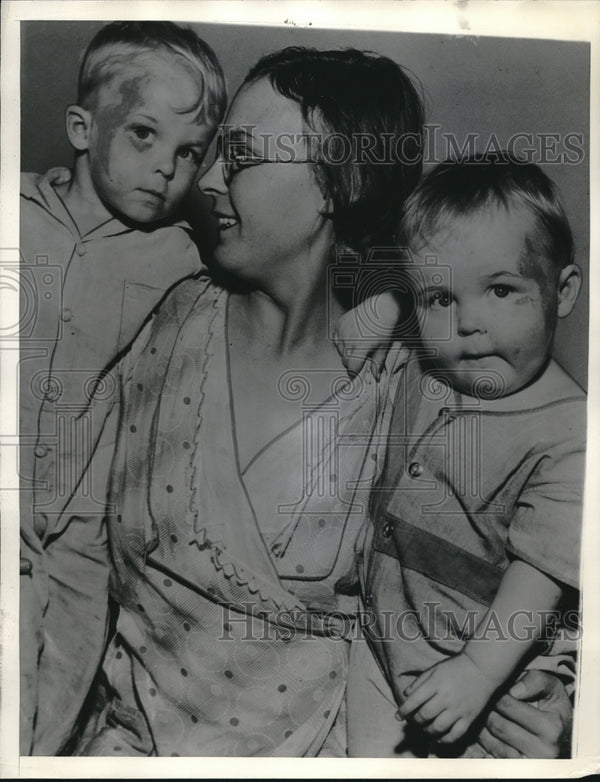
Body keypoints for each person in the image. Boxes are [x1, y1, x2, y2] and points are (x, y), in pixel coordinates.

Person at [73, 49, 573, 758]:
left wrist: (549, 708)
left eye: (240, 157)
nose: (207, 180)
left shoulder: (420, 390)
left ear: (340, 183)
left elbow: (542, 550)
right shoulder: (157, 307)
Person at [19, 21, 227, 755]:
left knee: (48, 725)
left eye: (188, 152)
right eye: (144, 135)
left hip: (78, 547)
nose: (167, 168)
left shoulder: (181, 259)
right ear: (81, 127)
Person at [346, 154, 584, 757]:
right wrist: (405, 300)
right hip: (378, 647)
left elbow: (542, 579)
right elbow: (342, 345)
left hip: (482, 674)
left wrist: (478, 672)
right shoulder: (425, 365)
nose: (469, 323)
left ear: (563, 292)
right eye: (441, 298)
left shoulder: (573, 434)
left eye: (501, 290)